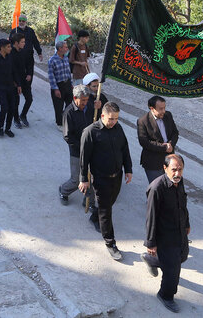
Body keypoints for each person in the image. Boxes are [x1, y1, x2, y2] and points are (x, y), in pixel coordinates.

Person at [79, 102, 133, 260]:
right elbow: (84, 158)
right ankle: (110, 243)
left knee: (109, 203)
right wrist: (83, 179)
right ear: (102, 116)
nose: (113, 122)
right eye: (111, 119)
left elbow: (125, 149)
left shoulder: (118, 128)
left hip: (116, 176)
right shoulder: (90, 132)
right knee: (106, 210)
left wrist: (128, 169)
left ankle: (95, 217)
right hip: (101, 178)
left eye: (116, 118)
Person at [142, 154, 190, 313]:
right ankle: (166, 295)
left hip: (180, 230)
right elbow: (151, 217)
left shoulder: (179, 181)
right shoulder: (157, 188)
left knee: (182, 256)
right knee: (173, 270)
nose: (177, 174)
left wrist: (187, 223)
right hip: (165, 236)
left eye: (180, 169)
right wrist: (151, 242)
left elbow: (183, 203)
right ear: (165, 168)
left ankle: (152, 261)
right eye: (174, 170)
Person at [59, 85, 100, 231]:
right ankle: (63, 191)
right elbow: (67, 136)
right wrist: (82, 147)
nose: (84, 103)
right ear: (75, 98)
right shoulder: (68, 113)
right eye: (82, 100)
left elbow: (97, 119)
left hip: (92, 149)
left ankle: (88, 200)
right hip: (77, 151)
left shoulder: (90, 106)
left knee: (93, 177)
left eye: (86, 100)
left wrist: (98, 107)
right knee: (77, 179)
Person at [137, 96, 179, 183]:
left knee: (170, 187)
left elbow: (175, 133)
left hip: (169, 161)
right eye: (160, 109)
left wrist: (171, 144)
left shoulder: (168, 115)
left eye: (164, 108)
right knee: (157, 189)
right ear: (152, 109)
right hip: (153, 163)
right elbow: (144, 142)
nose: (163, 111)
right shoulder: (143, 121)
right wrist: (164, 147)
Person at [0, 39, 21, 138]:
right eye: (8, 47)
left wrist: (18, 85)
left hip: (11, 87)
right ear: (2, 48)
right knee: (4, 107)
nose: (10, 49)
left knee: (12, 108)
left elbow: (14, 72)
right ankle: (0, 127)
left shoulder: (10, 58)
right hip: (0, 88)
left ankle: (8, 128)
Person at [10, 33, 33, 128]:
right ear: (16, 43)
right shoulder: (10, 53)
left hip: (24, 79)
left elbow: (30, 63)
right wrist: (14, 82)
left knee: (29, 99)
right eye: (22, 42)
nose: (24, 44)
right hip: (14, 81)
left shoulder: (25, 51)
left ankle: (23, 115)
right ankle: (16, 119)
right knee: (16, 101)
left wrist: (29, 74)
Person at [48, 40, 73, 128]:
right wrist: (55, 89)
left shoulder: (66, 58)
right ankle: (59, 123)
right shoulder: (52, 60)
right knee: (58, 105)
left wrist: (71, 83)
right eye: (65, 47)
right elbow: (51, 76)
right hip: (58, 86)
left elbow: (68, 72)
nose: (67, 49)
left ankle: (65, 118)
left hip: (67, 84)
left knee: (70, 103)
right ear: (60, 48)